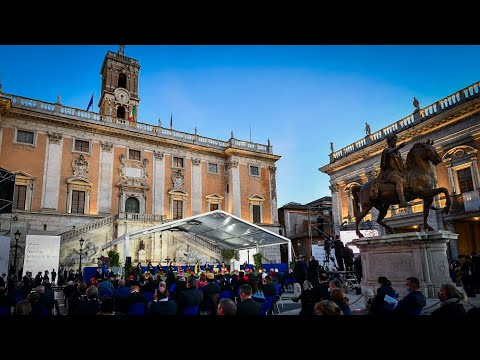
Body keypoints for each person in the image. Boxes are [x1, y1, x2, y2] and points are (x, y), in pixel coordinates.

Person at [376, 133, 411, 207]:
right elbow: (389, 152)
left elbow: (401, 164)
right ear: (389, 141)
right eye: (394, 140)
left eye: (396, 140)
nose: (395, 142)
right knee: (398, 179)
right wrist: (398, 147)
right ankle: (402, 200)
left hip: (398, 172)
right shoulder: (386, 150)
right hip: (389, 173)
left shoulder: (398, 153)